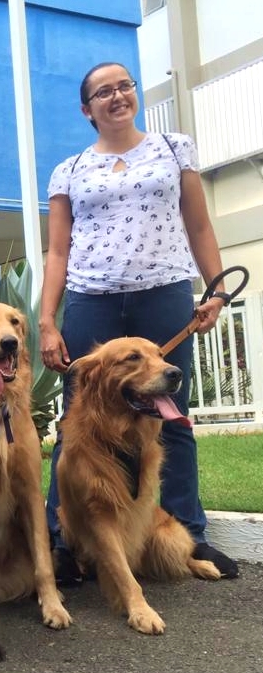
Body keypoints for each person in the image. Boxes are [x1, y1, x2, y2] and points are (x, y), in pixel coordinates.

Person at [39, 61, 239, 583]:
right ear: (87, 109)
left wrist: (214, 290)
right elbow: (57, 252)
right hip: (91, 300)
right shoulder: (69, 169)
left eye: (124, 86)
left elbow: (199, 225)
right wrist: (47, 320)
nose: (116, 97)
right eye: (102, 92)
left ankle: (191, 534)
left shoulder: (174, 150)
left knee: (171, 415)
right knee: (76, 420)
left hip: (163, 294)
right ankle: (62, 539)